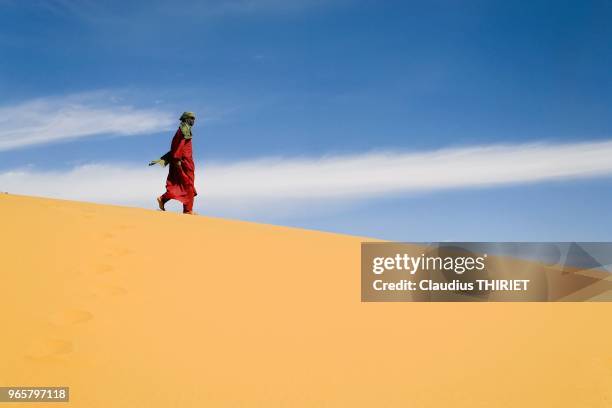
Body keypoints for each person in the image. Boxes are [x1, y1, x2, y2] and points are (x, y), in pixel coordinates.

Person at [149, 112, 198, 214]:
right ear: (185, 119)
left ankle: (165, 200)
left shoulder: (184, 129)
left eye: (194, 119)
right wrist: (177, 158)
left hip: (186, 161)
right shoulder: (184, 129)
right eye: (191, 118)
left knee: (187, 185)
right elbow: (180, 145)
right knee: (187, 184)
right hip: (183, 161)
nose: (193, 121)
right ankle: (187, 210)